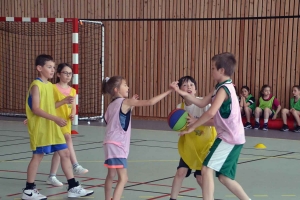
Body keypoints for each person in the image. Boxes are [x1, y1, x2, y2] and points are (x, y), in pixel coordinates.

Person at [170, 52, 251, 200]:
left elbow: (210, 112)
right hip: (233, 137)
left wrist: (193, 126)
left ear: (221, 70)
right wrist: (180, 92)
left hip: (229, 137)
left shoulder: (223, 89)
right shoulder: (219, 87)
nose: (211, 70)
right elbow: (201, 102)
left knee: (206, 169)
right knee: (224, 178)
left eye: (213, 68)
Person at [22, 54, 93, 200]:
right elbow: (36, 109)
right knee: (38, 156)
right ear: (39, 68)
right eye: (49, 67)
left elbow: (49, 107)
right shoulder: (36, 85)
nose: (53, 70)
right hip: (41, 128)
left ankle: (73, 186)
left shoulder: (49, 85)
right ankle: (29, 190)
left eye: (54, 67)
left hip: (52, 127)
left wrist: (62, 107)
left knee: (65, 153)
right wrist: (55, 118)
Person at [102, 76, 173, 200]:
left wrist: (131, 105)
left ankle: (108, 198)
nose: (128, 87)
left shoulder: (110, 106)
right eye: (125, 85)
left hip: (109, 143)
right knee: (124, 178)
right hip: (118, 145)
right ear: (116, 90)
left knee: (111, 175)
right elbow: (150, 102)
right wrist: (169, 91)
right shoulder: (125, 102)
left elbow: (115, 119)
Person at [169, 76, 216, 200]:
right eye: (185, 85)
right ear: (180, 90)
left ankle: (209, 197)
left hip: (205, 146)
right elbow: (179, 127)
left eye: (191, 85)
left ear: (195, 90)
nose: (189, 87)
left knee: (201, 177)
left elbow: (214, 121)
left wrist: (197, 121)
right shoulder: (180, 108)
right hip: (189, 147)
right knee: (180, 172)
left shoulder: (204, 104)